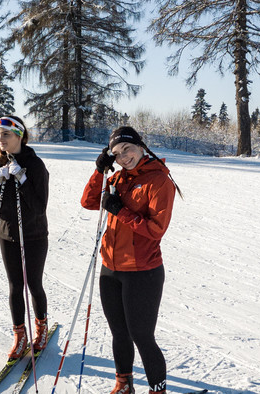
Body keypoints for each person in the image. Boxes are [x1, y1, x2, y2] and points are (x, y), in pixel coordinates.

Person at [80, 126, 183, 394]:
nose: (124, 157)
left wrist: (120, 211)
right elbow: (89, 201)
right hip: (110, 269)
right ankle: (123, 384)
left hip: (143, 272)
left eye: (127, 149)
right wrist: (99, 171)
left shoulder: (159, 180)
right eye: (117, 154)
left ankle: (157, 390)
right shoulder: (119, 179)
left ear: (140, 146)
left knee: (142, 337)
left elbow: (156, 229)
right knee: (119, 334)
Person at [0, 115, 50, 360]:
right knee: (15, 286)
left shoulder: (35, 165)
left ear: (19, 136)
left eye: (6, 134)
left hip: (33, 235)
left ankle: (41, 327)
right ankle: (19, 335)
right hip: (8, 235)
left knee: (33, 284)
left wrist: (22, 180)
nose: (0, 139)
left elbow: (39, 207)